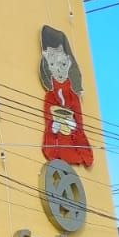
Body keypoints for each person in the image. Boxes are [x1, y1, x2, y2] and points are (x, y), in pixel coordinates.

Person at [39, 25, 93, 168]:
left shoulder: (73, 97)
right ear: (48, 66)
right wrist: (55, 127)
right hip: (57, 143)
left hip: (72, 143)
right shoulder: (50, 96)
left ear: (68, 63)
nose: (58, 69)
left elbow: (79, 125)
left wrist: (73, 125)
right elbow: (48, 122)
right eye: (52, 64)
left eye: (62, 64)